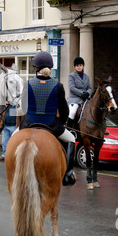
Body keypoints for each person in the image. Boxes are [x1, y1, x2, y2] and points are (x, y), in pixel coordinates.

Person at [19, 51, 76, 186]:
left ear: (36, 68)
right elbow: (64, 110)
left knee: (12, 141)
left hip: (29, 122)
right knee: (72, 139)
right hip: (51, 124)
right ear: (50, 68)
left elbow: (23, 106)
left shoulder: (28, 83)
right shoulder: (58, 85)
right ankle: (67, 175)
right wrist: (60, 124)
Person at [67, 56, 92, 128]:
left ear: (83, 66)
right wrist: (82, 94)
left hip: (85, 99)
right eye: (77, 65)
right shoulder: (71, 76)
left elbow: (89, 88)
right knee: (72, 112)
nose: (79, 67)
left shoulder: (86, 76)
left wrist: (87, 93)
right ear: (74, 67)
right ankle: (69, 129)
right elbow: (71, 88)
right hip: (74, 100)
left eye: (80, 65)